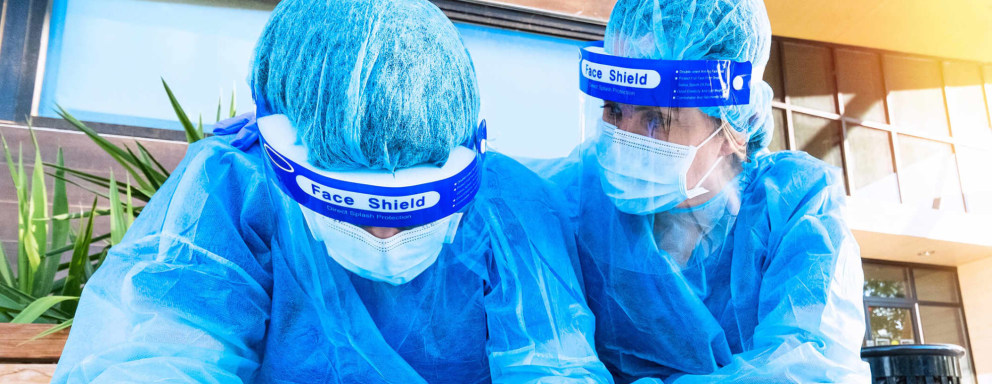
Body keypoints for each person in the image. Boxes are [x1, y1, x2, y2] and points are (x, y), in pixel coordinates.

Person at [52, 1, 612, 383]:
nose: (389, 234)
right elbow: (166, 346)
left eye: (420, 210)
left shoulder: (507, 204)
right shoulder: (238, 186)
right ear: (284, 155)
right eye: (351, 206)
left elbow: (554, 363)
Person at [532, 0, 872, 382]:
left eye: (655, 118)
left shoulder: (796, 208)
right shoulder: (575, 202)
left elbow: (807, 369)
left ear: (732, 126)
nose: (621, 140)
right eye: (613, 110)